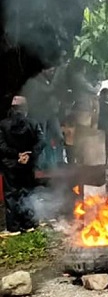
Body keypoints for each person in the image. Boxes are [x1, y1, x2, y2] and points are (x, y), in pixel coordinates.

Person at [0, 96, 41, 233]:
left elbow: (1, 146)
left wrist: (17, 155)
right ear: (25, 108)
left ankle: (14, 227)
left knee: (11, 194)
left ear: (12, 108)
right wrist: (29, 155)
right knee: (28, 192)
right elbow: (41, 142)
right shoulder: (33, 123)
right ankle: (29, 224)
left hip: (11, 164)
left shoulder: (3, 125)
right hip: (28, 165)